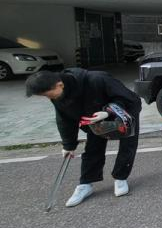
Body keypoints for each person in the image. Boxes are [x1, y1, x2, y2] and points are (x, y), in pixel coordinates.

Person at [25, 68, 142, 207]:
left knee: (128, 144)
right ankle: (85, 184)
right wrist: (68, 145)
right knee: (93, 147)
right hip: (94, 117)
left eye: (48, 95)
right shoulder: (57, 96)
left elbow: (127, 98)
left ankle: (120, 177)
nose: (49, 98)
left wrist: (108, 112)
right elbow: (64, 120)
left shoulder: (97, 79)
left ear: (59, 84)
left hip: (124, 112)